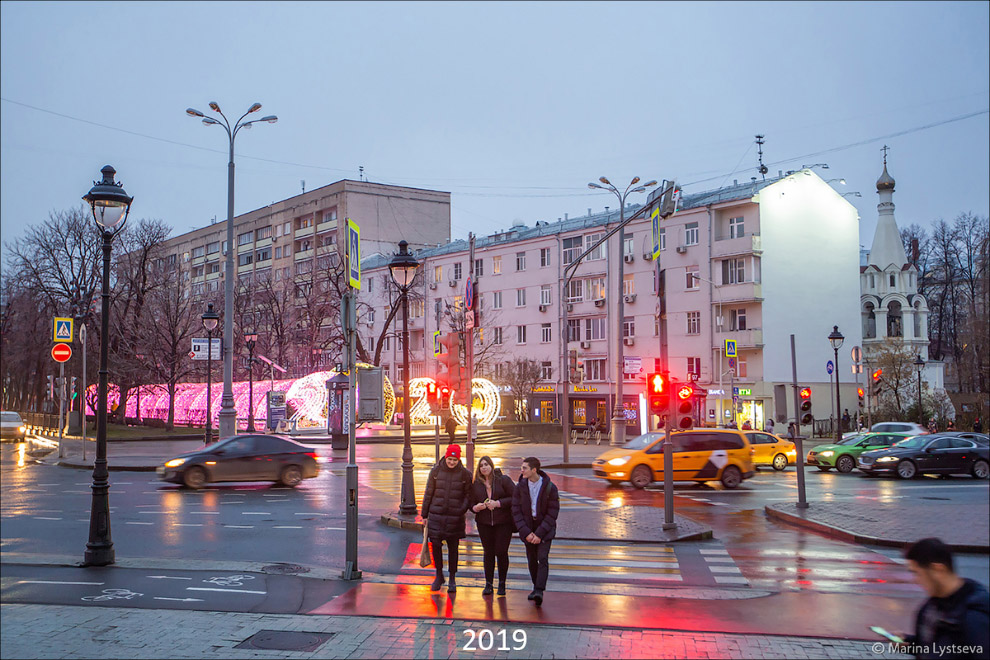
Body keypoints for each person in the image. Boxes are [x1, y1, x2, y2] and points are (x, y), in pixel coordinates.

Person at [901, 537, 989, 659]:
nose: (915, 580)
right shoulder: (930, 607)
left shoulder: (973, 618)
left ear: (938, 569)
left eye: (917, 573)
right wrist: (909, 643)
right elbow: (933, 645)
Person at [421, 443, 472, 593]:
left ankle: (452, 578)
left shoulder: (464, 474)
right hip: (436, 515)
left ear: (458, 460)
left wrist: (461, 510)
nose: (451, 463)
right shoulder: (436, 471)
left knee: (453, 549)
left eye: (454, 460)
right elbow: (428, 492)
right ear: (446, 457)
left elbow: (468, 496)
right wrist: (424, 514)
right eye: (450, 459)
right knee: (436, 546)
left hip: (455, 517)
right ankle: (439, 575)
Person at [511, 456, 559, 607]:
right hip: (528, 527)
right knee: (531, 559)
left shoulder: (550, 487)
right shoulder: (520, 487)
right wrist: (526, 532)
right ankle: (535, 587)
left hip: (544, 529)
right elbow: (516, 510)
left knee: (542, 558)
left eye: (524, 468)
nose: (522, 471)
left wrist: (539, 534)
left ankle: (539, 590)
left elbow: (553, 513)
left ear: (534, 470)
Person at [469, 456, 516, 596]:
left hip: (503, 523)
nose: (484, 467)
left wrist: (498, 504)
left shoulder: (503, 480)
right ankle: (488, 583)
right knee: (488, 552)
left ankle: (502, 583)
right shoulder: (476, 484)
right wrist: (475, 507)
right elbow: (470, 502)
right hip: (484, 523)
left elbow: (515, 497)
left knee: (501, 552)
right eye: (481, 465)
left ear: (491, 465)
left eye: (486, 464)